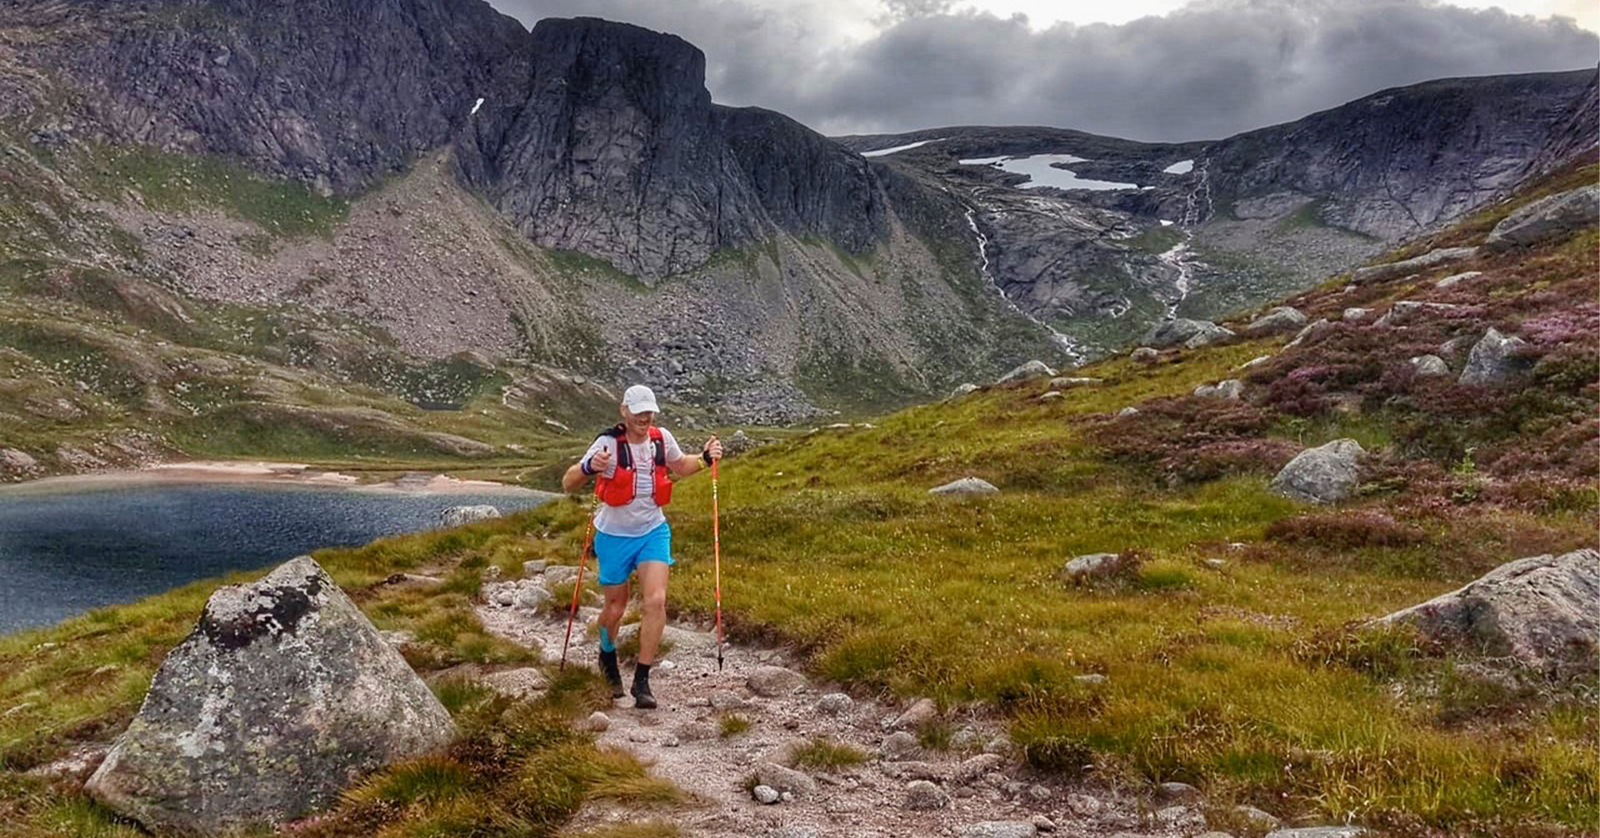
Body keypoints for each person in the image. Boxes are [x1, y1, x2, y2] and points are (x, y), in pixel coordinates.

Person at [561, 384, 722, 709]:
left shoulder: (661, 439)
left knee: (656, 600)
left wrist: (705, 459)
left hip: (653, 531)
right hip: (613, 536)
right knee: (616, 608)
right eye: (638, 412)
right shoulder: (606, 442)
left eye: (649, 412)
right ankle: (607, 655)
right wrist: (589, 467)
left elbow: (681, 465)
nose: (645, 418)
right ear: (624, 411)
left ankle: (642, 680)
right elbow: (568, 483)